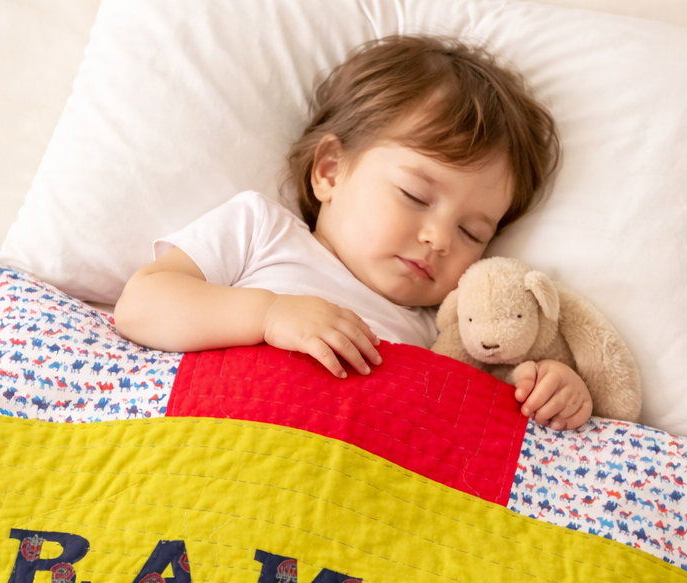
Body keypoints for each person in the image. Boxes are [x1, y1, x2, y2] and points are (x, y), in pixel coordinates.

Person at [115, 35, 593, 430]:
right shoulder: (261, 230)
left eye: (471, 232)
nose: (440, 239)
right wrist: (269, 314)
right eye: (415, 195)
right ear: (330, 171)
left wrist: (551, 388)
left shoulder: (443, 329)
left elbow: (476, 417)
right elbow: (140, 307)